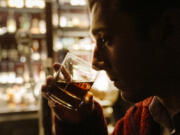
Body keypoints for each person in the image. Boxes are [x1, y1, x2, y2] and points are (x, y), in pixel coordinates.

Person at [42, 0, 180, 134]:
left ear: (168, 28)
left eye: (105, 39)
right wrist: (80, 123)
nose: (95, 63)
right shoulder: (138, 121)